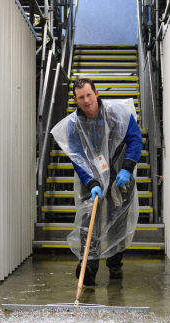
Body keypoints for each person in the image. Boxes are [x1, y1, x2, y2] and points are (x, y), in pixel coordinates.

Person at [50, 78, 143, 286]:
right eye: (81, 97)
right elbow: (77, 157)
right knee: (89, 221)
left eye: (89, 95)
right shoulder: (73, 125)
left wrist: (127, 168)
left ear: (97, 93)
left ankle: (115, 265)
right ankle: (89, 266)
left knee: (118, 218)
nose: (86, 100)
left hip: (120, 173)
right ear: (76, 99)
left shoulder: (115, 114)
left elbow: (135, 139)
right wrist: (91, 183)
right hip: (91, 177)